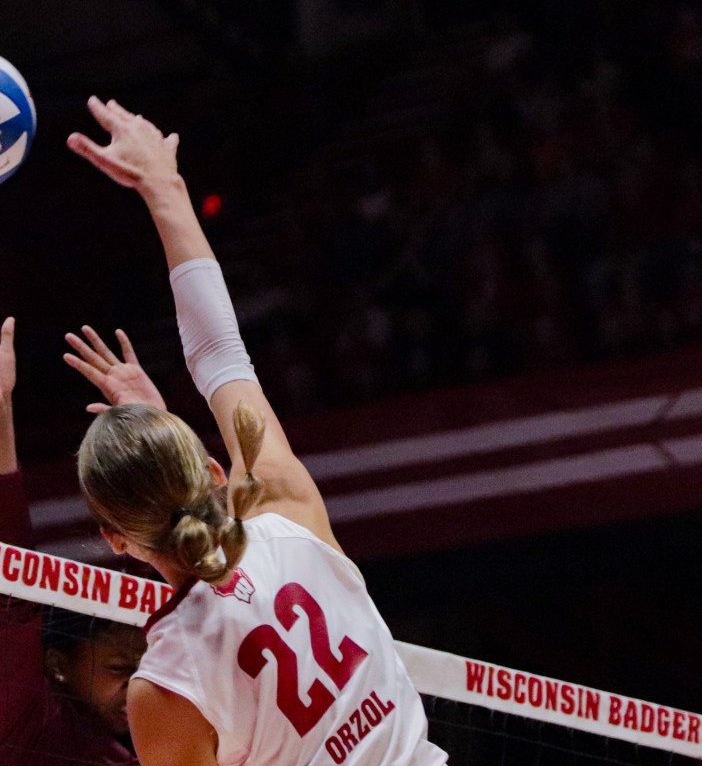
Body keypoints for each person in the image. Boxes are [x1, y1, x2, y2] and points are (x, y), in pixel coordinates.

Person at [65, 97, 449, 766]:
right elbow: (220, 355)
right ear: (213, 471)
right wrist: (165, 189)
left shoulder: (164, 685)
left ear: (115, 540)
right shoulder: (283, 508)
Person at [0, 291, 160, 766]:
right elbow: (11, 587)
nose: (139, 683)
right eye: (120, 667)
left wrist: (161, 434)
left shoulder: (141, 754)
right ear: (58, 665)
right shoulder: (20, 724)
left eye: (144, 666)